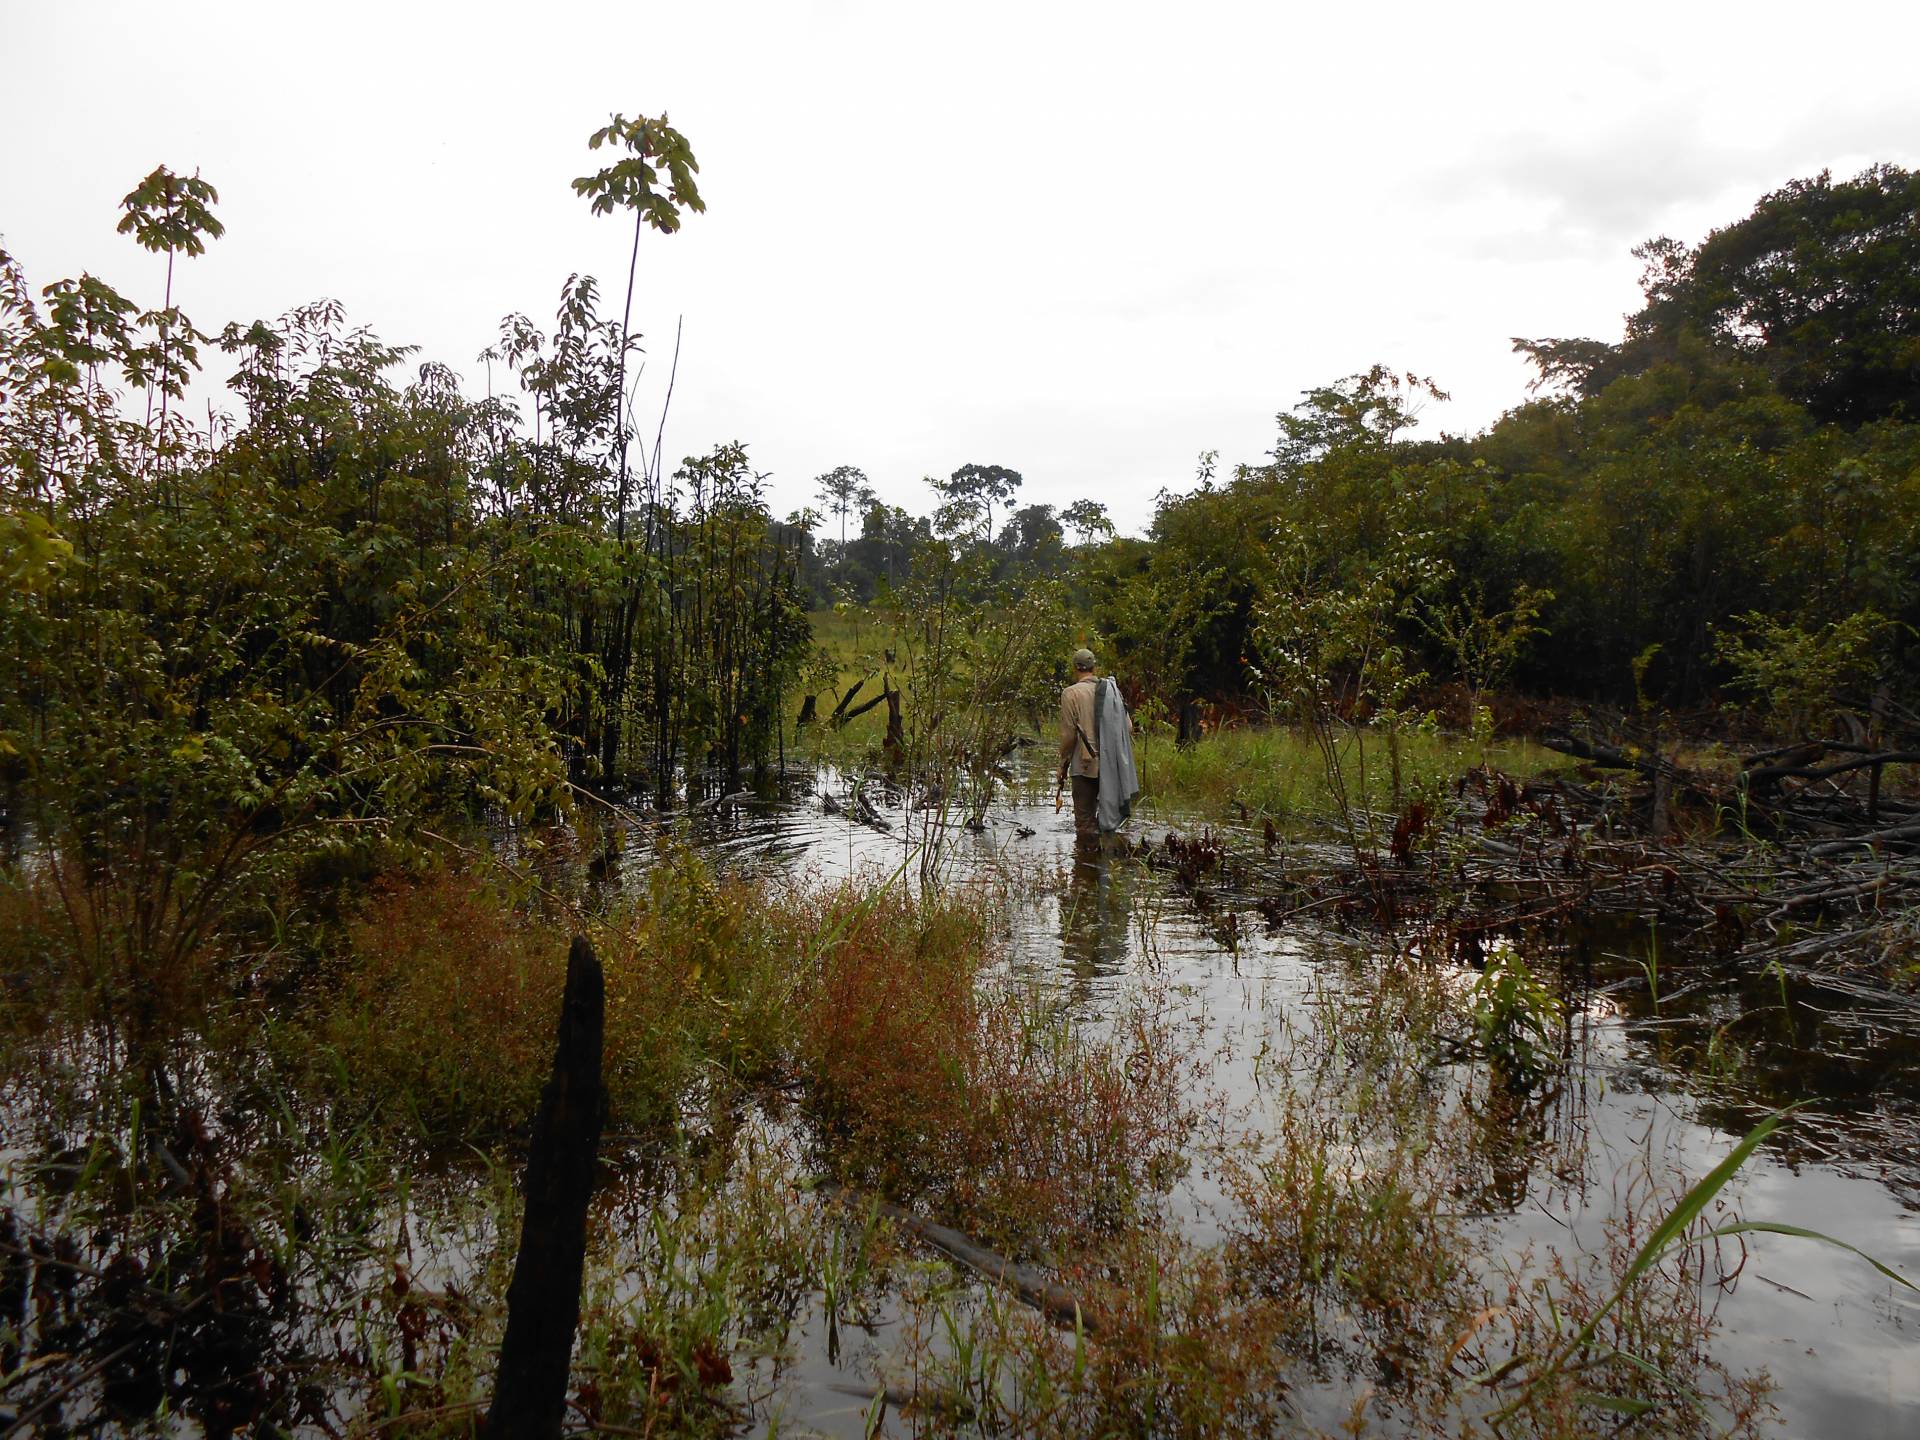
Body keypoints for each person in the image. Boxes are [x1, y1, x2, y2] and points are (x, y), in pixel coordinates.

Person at [1058, 648, 1102, 838]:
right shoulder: (1110, 691)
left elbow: (1069, 736)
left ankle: (1085, 864)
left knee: (1085, 824)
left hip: (1084, 765)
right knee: (1109, 822)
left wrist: (1062, 765)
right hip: (1112, 766)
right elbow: (1128, 726)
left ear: (1075, 668)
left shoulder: (1071, 693)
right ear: (1094, 667)